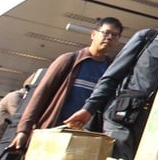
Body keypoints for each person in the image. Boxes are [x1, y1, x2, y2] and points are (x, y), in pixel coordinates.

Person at [62, 0, 158, 160]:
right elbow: (112, 75)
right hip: (121, 114)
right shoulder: (147, 38)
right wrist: (89, 109)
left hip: (153, 122)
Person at [8, 18, 123, 152]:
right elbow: (40, 95)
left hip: (82, 140)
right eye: (106, 33)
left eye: (114, 35)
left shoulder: (111, 70)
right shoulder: (70, 60)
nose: (109, 38)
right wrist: (23, 130)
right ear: (93, 34)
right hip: (52, 132)